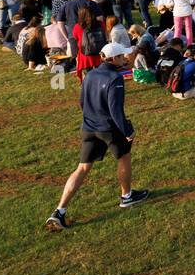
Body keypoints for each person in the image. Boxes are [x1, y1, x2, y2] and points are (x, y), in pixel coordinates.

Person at [45, 42, 149, 230]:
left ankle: (60, 211)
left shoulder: (90, 74)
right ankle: (127, 196)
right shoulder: (115, 78)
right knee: (124, 156)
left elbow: (82, 103)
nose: (125, 58)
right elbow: (116, 110)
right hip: (109, 128)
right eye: (122, 56)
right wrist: (127, 131)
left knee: (82, 168)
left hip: (89, 127)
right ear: (114, 58)